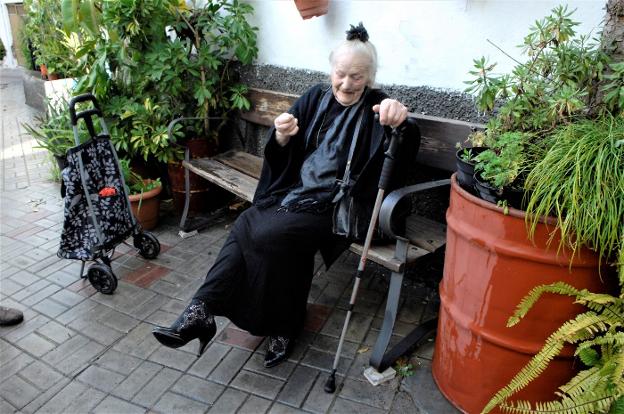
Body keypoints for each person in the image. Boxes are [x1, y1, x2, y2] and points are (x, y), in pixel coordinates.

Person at [152, 23, 417, 368]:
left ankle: (259, 321)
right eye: (340, 74)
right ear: (331, 70)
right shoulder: (314, 97)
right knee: (252, 223)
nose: (347, 84)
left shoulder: (378, 107)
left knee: (268, 232)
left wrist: (400, 123)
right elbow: (283, 148)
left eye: (357, 76)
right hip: (296, 193)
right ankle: (205, 311)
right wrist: (280, 136)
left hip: (338, 206)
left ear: (370, 76)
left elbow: (405, 148)